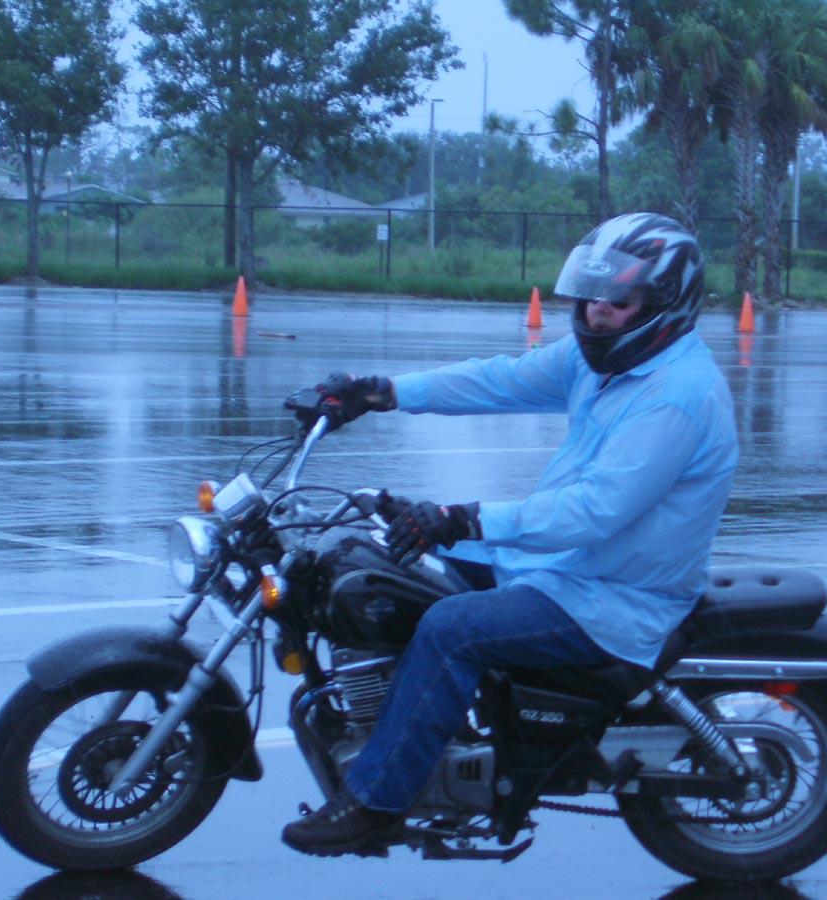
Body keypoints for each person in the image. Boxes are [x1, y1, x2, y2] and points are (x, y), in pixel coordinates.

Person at [280, 213, 739, 857]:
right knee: (392, 571)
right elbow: (500, 380)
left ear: (667, 303)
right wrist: (381, 392)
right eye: (591, 296)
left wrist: (465, 518)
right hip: (560, 566)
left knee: (452, 628)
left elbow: (595, 511)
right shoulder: (604, 361)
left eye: (619, 300)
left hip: (613, 595)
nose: (598, 312)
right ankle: (429, 733)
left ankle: (378, 800)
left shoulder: (676, 394)